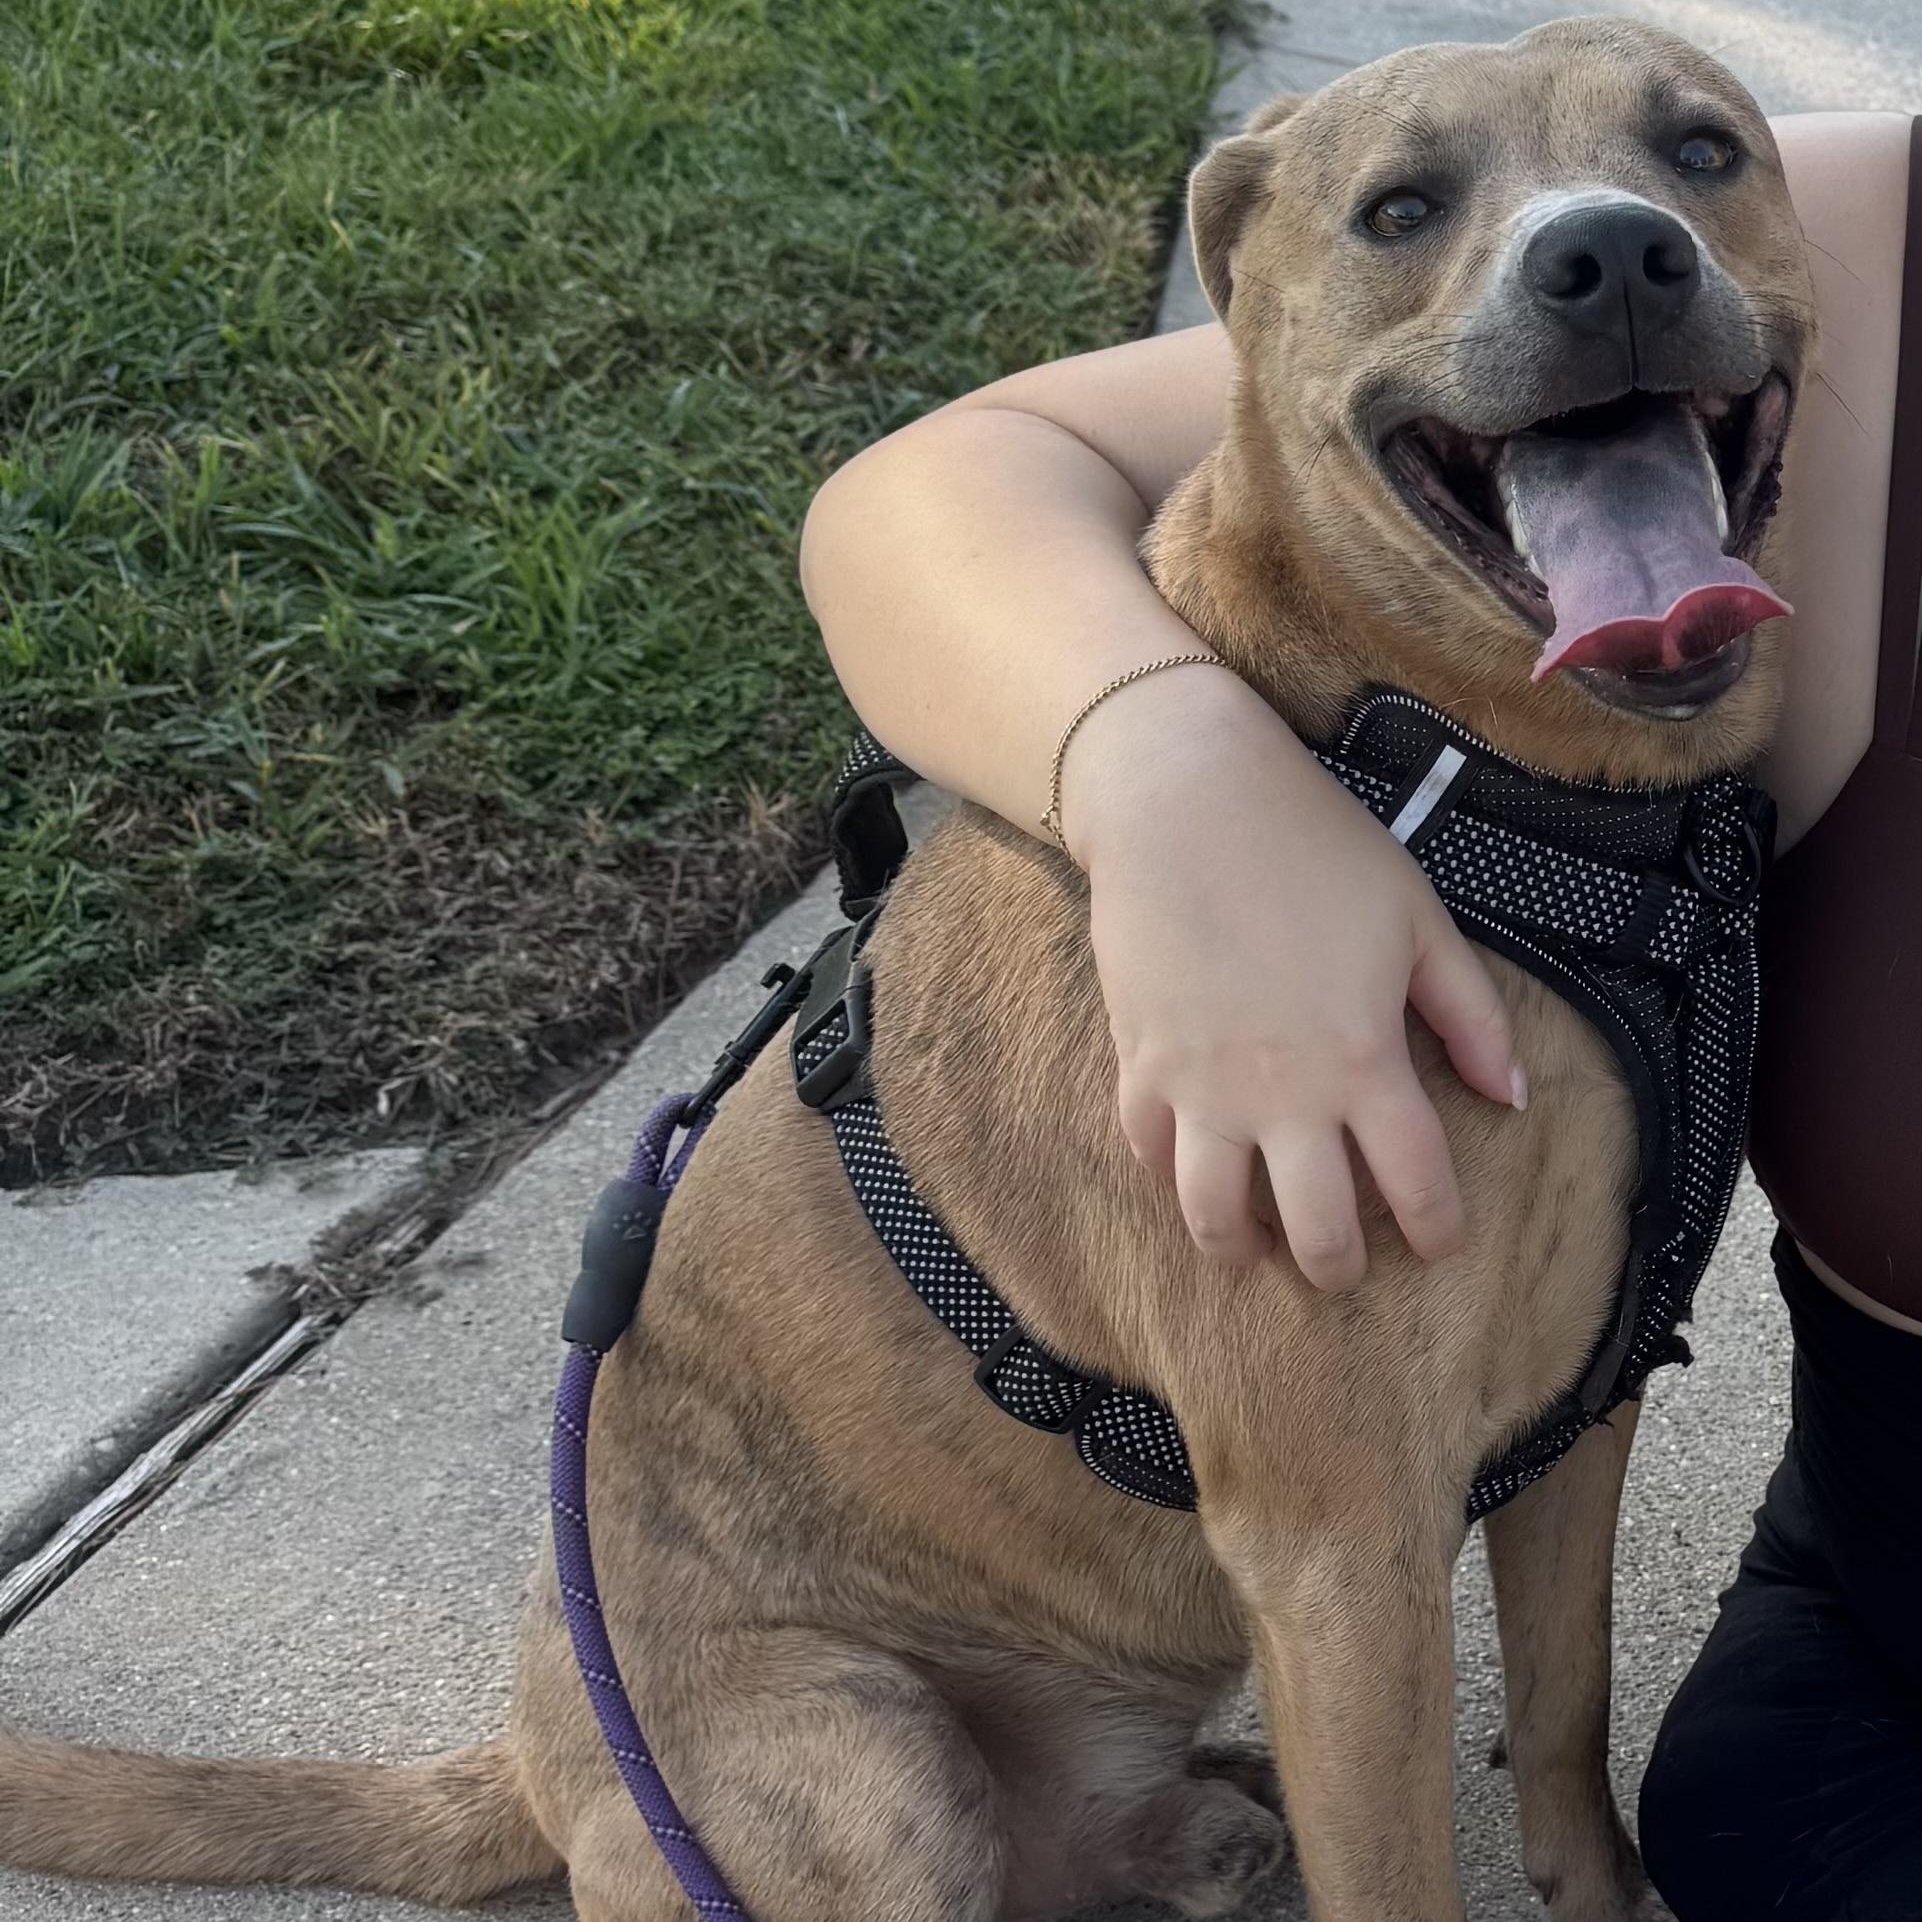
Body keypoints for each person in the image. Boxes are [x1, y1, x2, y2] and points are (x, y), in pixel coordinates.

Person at [798, 106, 1922, 1922]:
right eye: (1403, 209)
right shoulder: (1872, 228)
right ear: (1250, 286)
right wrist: (1169, 771)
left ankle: (1559, 1827)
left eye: (1693, 159)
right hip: (834, 1666)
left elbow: (1572, 1364)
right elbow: (946, 482)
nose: (1610, 236)